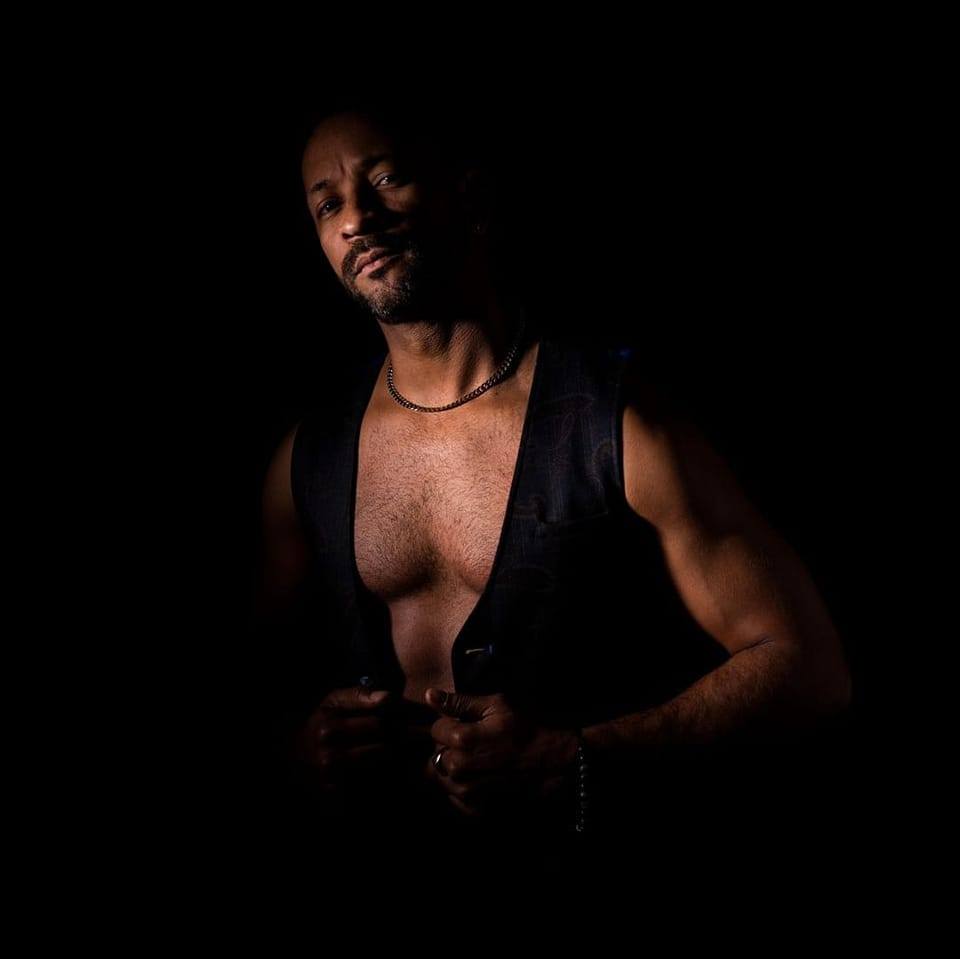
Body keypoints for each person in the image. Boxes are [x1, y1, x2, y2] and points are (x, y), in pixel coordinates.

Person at [252, 99, 853, 865]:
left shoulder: (617, 425)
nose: (356, 219)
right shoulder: (308, 458)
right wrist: (293, 748)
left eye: (386, 179)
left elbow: (808, 667)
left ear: (467, 193)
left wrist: (578, 757)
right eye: (327, 204)